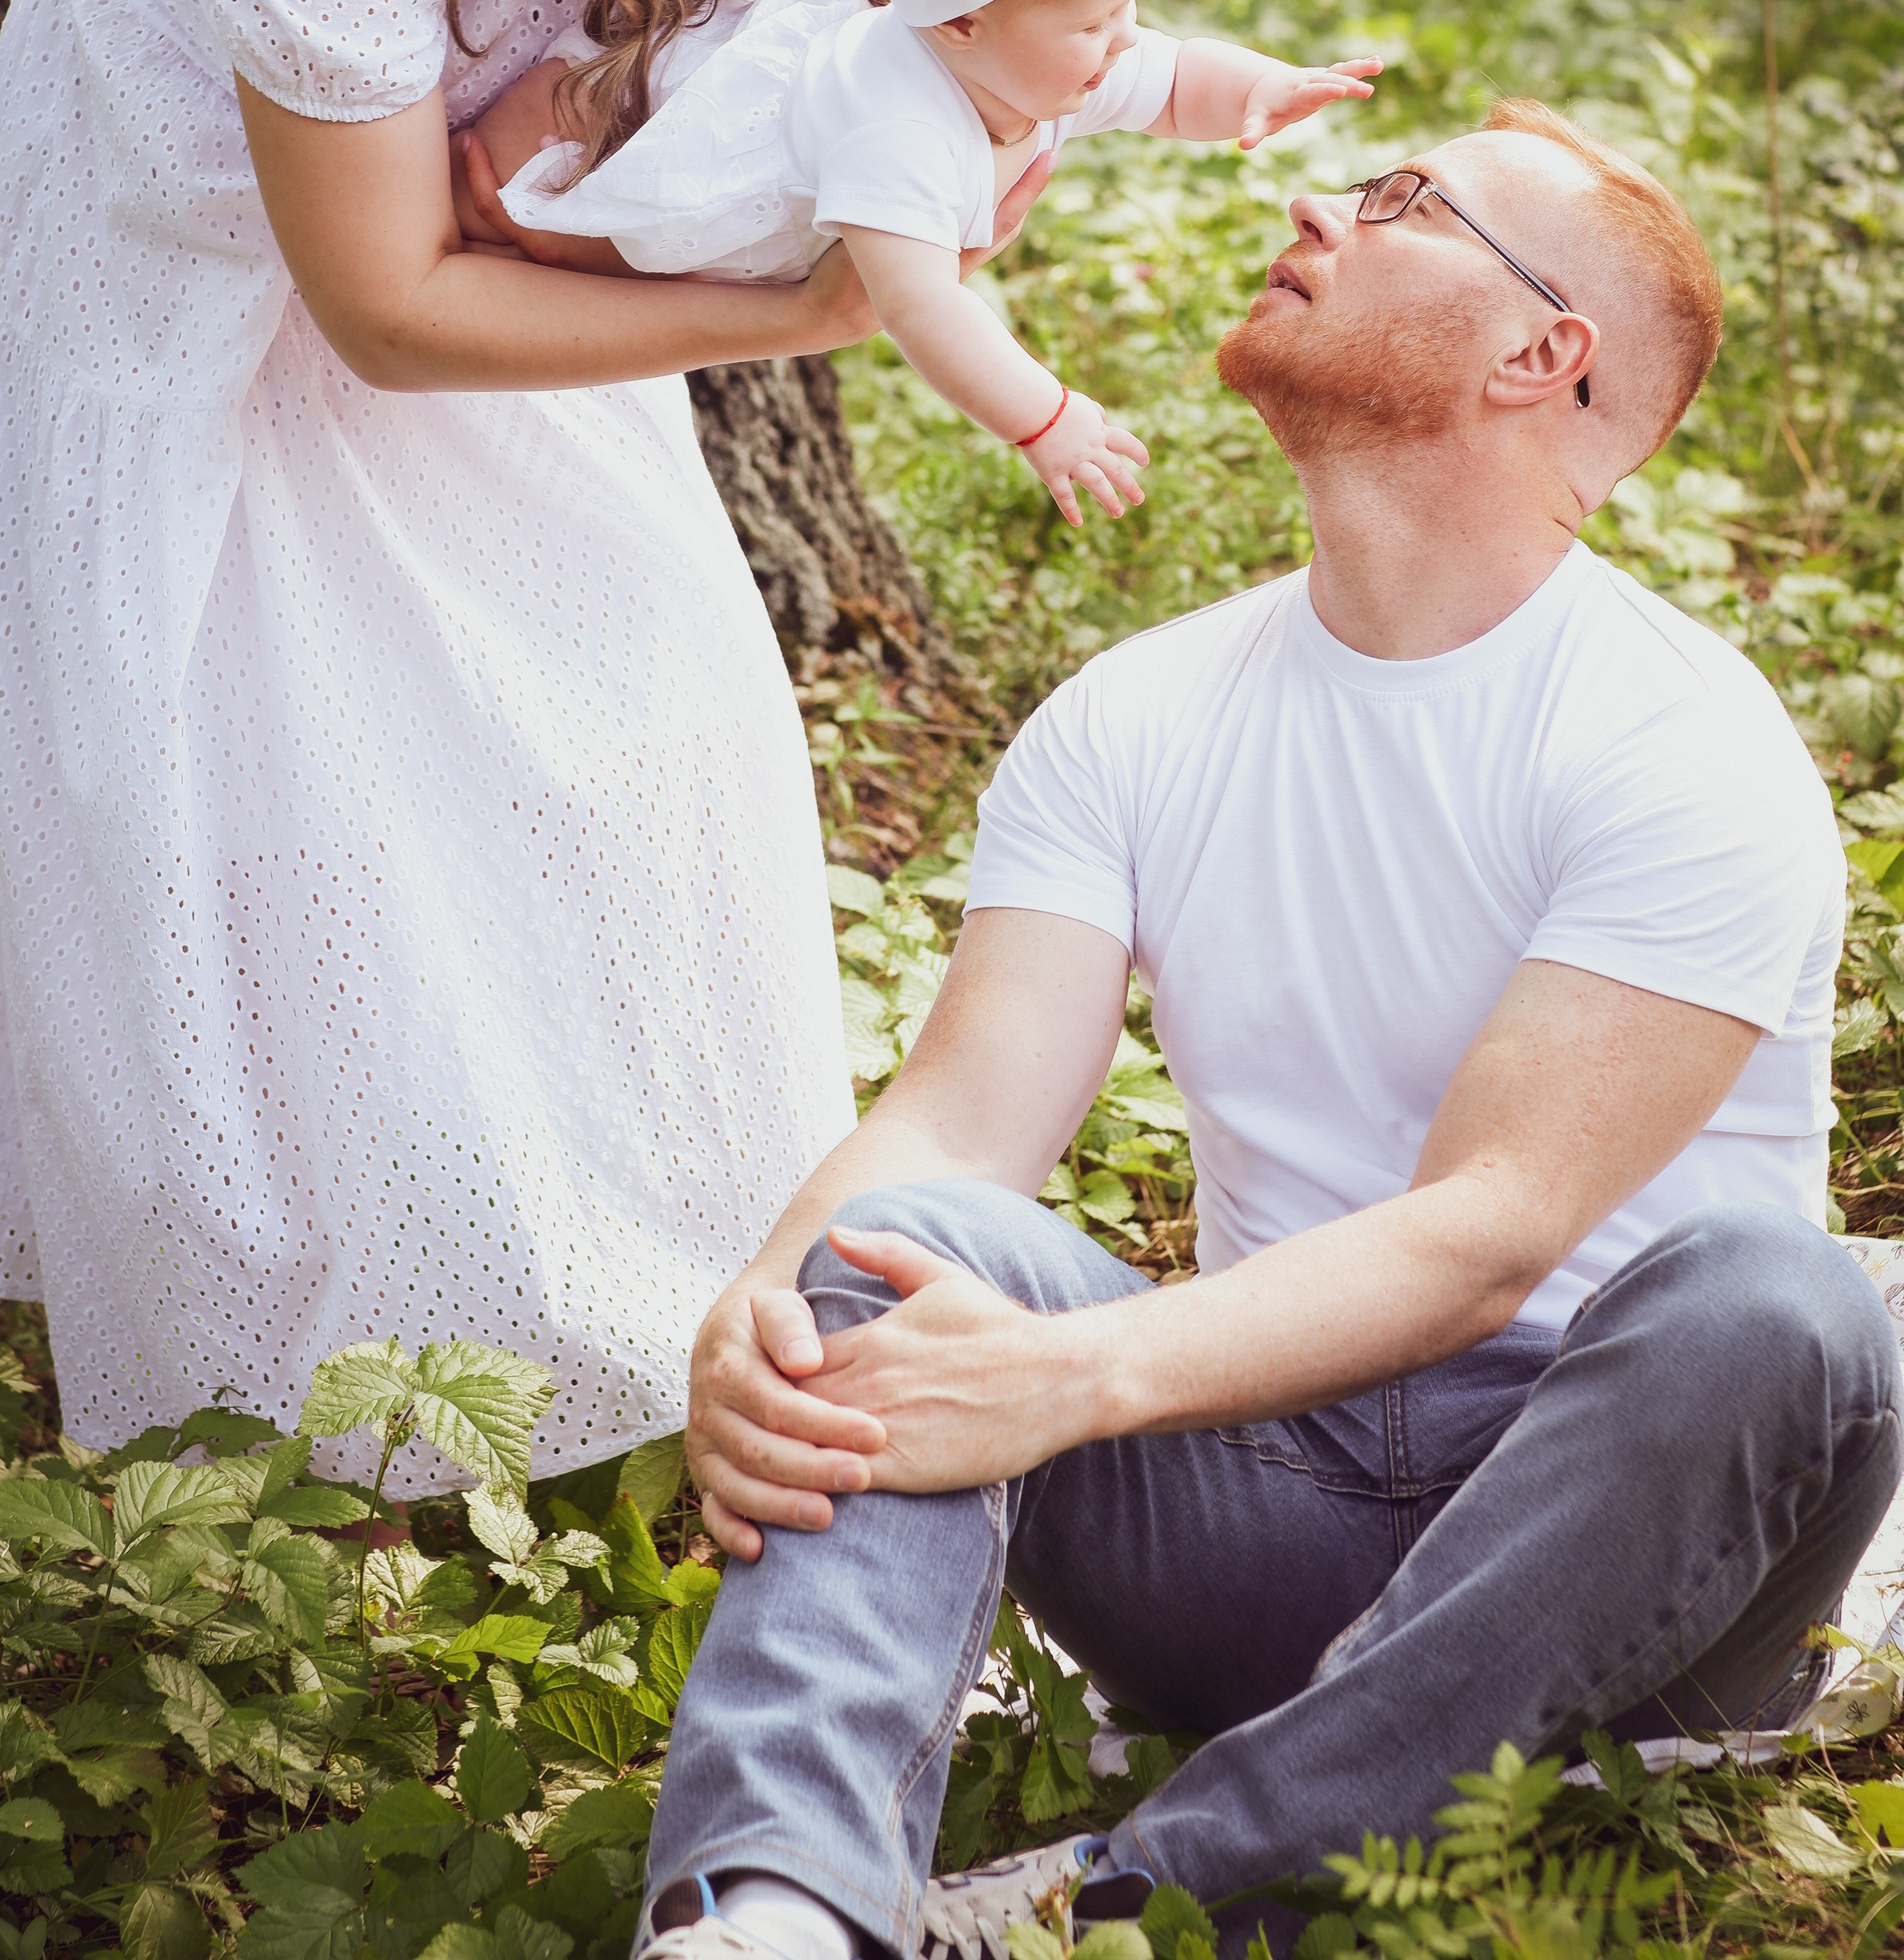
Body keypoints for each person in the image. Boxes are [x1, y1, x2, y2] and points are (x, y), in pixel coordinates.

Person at [0, 0, 1016, 1483]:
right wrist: (813, 315)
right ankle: (329, 1443)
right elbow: (384, 311)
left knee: (634, 754)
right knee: (315, 842)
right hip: (207, 318)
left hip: (482, 262)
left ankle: (664, 1352)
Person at [636, 99, 1899, 1960]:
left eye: (1400, 202)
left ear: (1537, 351)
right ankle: (768, 1917)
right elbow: (962, 1114)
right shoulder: (1133, 715)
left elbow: (1486, 1236)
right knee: (913, 1250)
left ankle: (1125, 1902)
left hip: (1627, 1546)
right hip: (1258, 1498)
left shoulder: (1676, 749)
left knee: (1773, 1301)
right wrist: (760, 1309)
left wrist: (1076, 1374)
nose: (1312, 200)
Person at [458, 0, 1377, 527]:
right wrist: (1041, 417)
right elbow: (922, 307)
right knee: (566, 203)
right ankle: (483, 216)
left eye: (1127, 6)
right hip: (657, 138)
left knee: (616, 219)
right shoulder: (897, 128)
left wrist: (1261, 87)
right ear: (966, 21)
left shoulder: (1045, 61)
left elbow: (1176, 83)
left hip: (751, 155)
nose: (1127, 40)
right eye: (1098, 19)